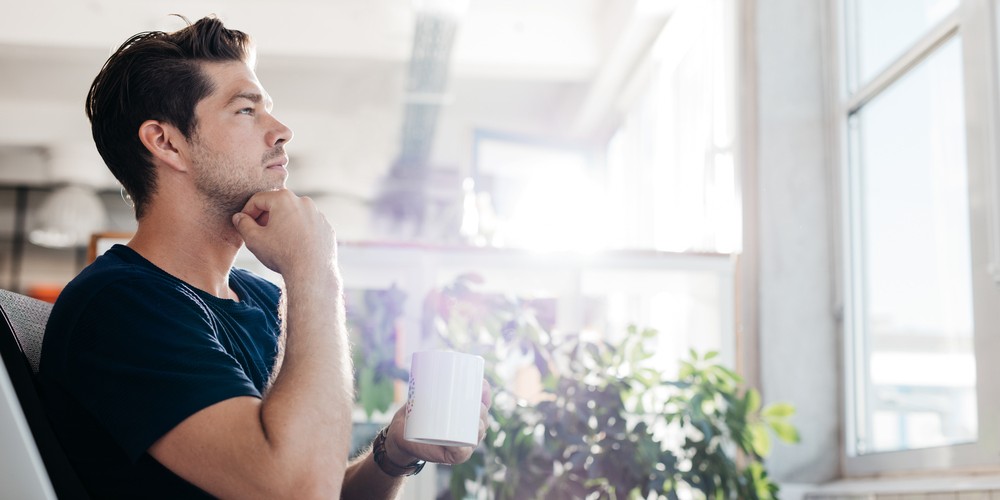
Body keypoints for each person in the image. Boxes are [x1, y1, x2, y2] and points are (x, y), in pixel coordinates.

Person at [37, 15, 490, 499]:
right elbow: (297, 491)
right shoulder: (119, 307)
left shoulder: (260, 298)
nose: (282, 131)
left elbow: (316, 482)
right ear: (166, 142)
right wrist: (314, 268)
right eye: (246, 111)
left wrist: (395, 451)